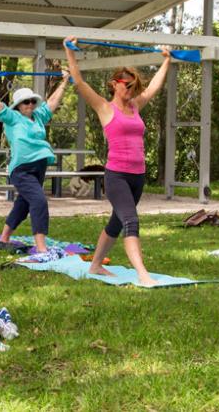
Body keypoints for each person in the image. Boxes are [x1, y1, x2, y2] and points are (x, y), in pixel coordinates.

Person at [62, 37, 172, 286]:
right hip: (117, 176)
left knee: (116, 221)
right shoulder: (104, 107)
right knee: (131, 221)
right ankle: (143, 274)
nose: (130, 90)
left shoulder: (135, 106)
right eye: (126, 85)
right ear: (114, 84)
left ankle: (96, 264)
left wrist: (166, 61)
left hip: (138, 176)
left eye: (133, 86)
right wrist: (68, 50)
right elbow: (78, 81)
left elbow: (153, 88)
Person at [0, 68, 70, 255]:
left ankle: (4, 238)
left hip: (39, 167)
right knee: (39, 201)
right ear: (18, 105)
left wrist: (65, 82)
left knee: (24, 203)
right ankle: (42, 248)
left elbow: (52, 102)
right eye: (26, 102)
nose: (30, 104)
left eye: (32, 101)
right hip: (21, 170)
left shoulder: (39, 117)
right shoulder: (12, 118)